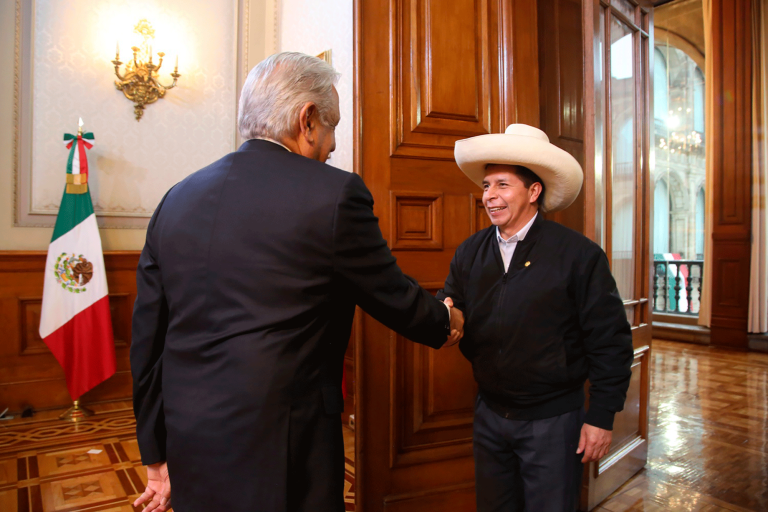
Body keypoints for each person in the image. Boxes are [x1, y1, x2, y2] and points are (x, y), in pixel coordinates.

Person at [130, 52, 463, 512]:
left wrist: (155, 452)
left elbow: (147, 337)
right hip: (283, 443)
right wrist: (444, 321)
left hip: (189, 432)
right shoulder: (333, 193)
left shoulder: (177, 197)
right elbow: (389, 293)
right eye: (333, 127)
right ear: (307, 120)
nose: (332, 145)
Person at [438, 124, 633, 511]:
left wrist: (602, 417)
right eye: (487, 185)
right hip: (490, 414)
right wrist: (444, 315)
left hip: (553, 421)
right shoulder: (470, 251)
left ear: (533, 191)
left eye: (502, 185)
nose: (489, 196)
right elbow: (453, 303)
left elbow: (610, 341)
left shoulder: (579, 255)